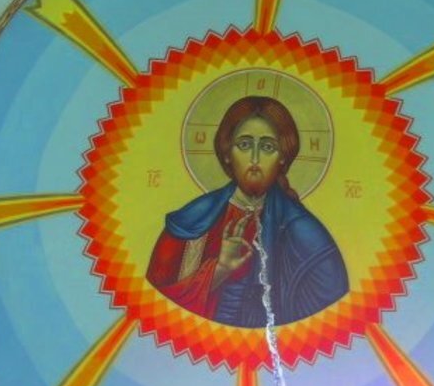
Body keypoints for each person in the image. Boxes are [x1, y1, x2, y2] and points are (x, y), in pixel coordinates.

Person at [146, 96, 348, 328]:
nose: (254, 158)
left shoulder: (305, 233)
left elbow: (328, 319)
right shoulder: (191, 221)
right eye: (244, 144)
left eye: (267, 147)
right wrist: (220, 270)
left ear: (283, 157)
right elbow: (156, 310)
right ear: (226, 153)